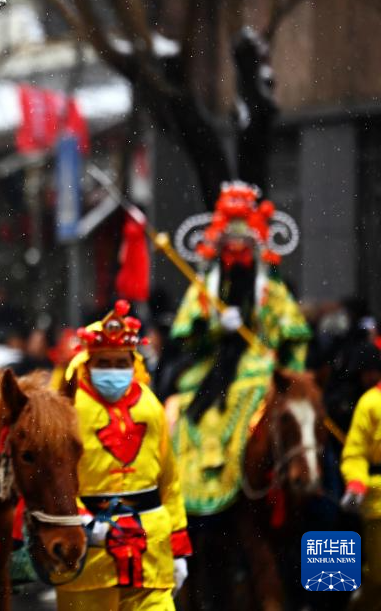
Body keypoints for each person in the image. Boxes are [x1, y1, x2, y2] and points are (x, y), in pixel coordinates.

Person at [168, 182, 310, 516]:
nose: (236, 250)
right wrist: (214, 327)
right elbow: (185, 335)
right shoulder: (205, 290)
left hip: (261, 366)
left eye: (243, 243)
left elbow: (295, 337)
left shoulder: (273, 293)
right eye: (229, 243)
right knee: (187, 407)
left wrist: (289, 374)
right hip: (212, 367)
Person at [58, 300, 192, 610]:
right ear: (87, 363)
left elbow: (169, 483)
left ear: (134, 364)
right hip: (88, 559)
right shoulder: (68, 410)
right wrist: (82, 522)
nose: (114, 371)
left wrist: (179, 549)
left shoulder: (151, 405)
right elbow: (52, 481)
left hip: (151, 552)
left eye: (121, 363)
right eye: (104, 363)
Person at [340, 373, 381, 611]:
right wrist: (356, 482)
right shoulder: (370, 402)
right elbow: (355, 452)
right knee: (377, 576)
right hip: (378, 503)